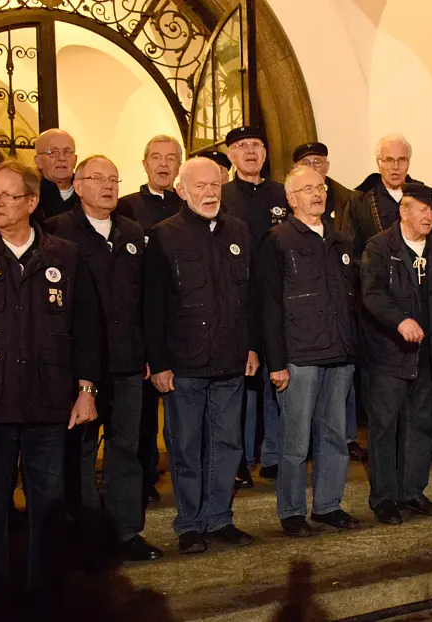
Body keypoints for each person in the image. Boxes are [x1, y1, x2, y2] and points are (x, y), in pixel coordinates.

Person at [0, 159, 100, 592]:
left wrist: (86, 389)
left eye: (8, 195)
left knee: (48, 506)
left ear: (31, 201)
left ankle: (42, 593)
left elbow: (84, 328)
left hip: (49, 403)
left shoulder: (64, 255)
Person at [45, 155, 161, 563]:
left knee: (125, 449)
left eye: (114, 179)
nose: (109, 186)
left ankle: (126, 530)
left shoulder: (132, 232)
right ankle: (86, 532)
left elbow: (147, 298)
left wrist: (150, 352)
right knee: (77, 452)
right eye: (98, 179)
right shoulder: (58, 233)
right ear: (78, 186)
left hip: (129, 360)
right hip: (80, 367)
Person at [144, 156, 257, 554]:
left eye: (215, 185)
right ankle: (189, 523)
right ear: (182, 190)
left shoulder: (239, 231)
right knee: (186, 446)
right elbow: (152, 306)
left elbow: (249, 298)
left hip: (229, 358)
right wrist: (158, 363)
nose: (209, 193)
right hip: (184, 364)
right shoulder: (164, 235)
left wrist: (252, 346)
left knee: (227, 444)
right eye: (200, 186)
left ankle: (219, 517)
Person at [256, 165, 360, 537]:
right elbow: (269, 306)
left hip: (340, 355)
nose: (317, 194)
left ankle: (329, 505)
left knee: (334, 436)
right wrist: (277, 362)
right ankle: (292, 512)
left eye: (321, 188)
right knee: (295, 440)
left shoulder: (341, 241)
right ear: (291, 198)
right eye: (307, 189)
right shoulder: (277, 240)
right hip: (299, 358)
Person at [360, 183, 432, 525]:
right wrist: (400, 321)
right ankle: (384, 497)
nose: (428, 215)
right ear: (403, 210)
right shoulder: (379, 247)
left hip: (430, 357)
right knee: (384, 426)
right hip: (388, 355)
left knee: (420, 427)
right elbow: (371, 295)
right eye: (421, 209)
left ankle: (412, 492)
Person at [115, 135, 186, 504]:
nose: (163, 164)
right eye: (156, 158)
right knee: (141, 415)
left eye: (171, 158)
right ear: (144, 164)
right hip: (143, 323)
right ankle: (142, 480)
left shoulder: (189, 203)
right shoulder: (125, 208)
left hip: (185, 325)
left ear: (179, 166)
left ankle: (189, 479)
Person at [292, 141, 368, 462]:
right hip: (305, 326)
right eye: (308, 161)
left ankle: (347, 439)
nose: (316, 166)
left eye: (320, 162)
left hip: (341, 316)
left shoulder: (348, 199)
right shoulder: (285, 229)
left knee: (341, 394)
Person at [222, 126, 288, 485]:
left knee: (276, 378)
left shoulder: (282, 193)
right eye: (241, 146)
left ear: (265, 152)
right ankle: (241, 460)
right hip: (236, 300)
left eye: (256, 145)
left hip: (277, 298)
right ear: (230, 155)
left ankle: (274, 456)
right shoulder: (222, 194)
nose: (250, 151)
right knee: (242, 385)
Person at [348, 134, 432, 259]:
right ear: (379, 164)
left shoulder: (426, 197)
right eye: (389, 160)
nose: (396, 167)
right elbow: (351, 251)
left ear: (409, 162)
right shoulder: (361, 200)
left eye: (402, 160)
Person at [33, 129, 79, 221]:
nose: (62, 158)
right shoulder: (29, 194)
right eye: (53, 152)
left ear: (75, 159)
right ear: (39, 161)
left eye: (67, 152)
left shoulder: (87, 192)